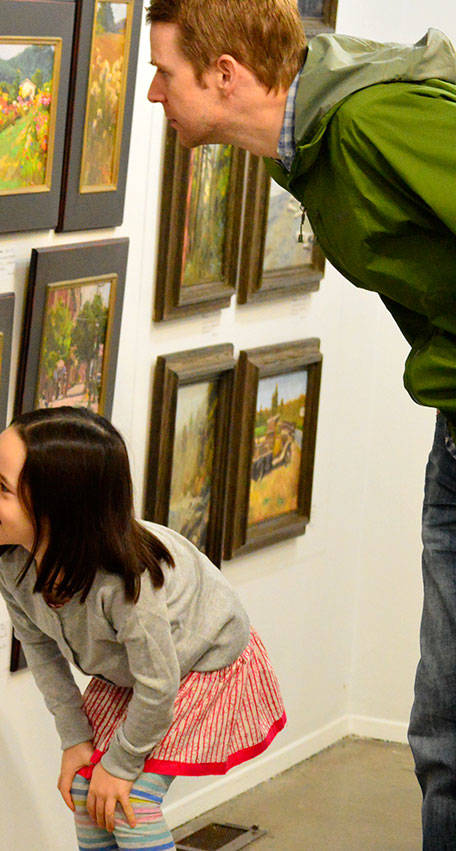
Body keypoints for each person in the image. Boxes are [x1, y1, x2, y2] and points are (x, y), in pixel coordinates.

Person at [145, 1, 456, 843]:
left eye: (163, 72)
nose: (150, 93)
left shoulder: (365, 123)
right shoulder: (311, 136)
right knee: (444, 736)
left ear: (224, 74)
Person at [0, 408, 285, 849]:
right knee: (87, 790)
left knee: (131, 803)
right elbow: (41, 652)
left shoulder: (126, 581)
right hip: (135, 672)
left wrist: (122, 764)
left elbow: (159, 684)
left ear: (59, 506)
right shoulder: (13, 564)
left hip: (200, 665)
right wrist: (75, 739)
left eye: (3, 488)